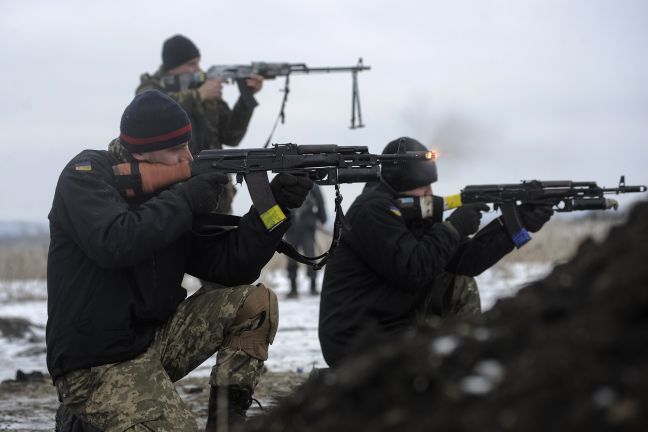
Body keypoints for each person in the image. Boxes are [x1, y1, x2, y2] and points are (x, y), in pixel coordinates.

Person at [47, 90, 313, 431]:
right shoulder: (85, 175)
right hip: (94, 363)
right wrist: (185, 200)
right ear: (143, 151)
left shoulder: (168, 194)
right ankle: (82, 415)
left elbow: (230, 267)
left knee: (255, 303)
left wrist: (273, 207)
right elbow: (115, 242)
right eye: (177, 150)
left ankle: (227, 423)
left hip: (152, 342)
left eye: (187, 146)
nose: (187, 157)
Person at [318, 137, 553, 368]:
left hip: (391, 327)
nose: (431, 193)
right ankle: (459, 367)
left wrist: (516, 224)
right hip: (355, 342)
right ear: (403, 184)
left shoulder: (407, 211)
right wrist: (452, 227)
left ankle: (463, 364)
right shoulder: (372, 211)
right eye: (424, 186)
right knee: (455, 281)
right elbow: (414, 270)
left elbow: (464, 261)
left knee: (459, 279)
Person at [136, 34, 264, 214]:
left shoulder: (206, 91)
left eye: (198, 62)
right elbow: (150, 111)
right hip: (173, 200)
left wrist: (245, 98)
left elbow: (232, 136)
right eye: (191, 64)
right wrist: (198, 96)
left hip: (217, 199)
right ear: (173, 67)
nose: (199, 69)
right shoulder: (151, 88)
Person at [284, 184, 328, 298]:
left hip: (305, 225)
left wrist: (322, 219)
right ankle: (293, 288)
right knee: (292, 258)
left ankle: (312, 287)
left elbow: (320, 202)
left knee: (310, 257)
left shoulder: (311, 184)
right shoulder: (287, 183)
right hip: (291, 225)